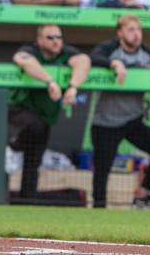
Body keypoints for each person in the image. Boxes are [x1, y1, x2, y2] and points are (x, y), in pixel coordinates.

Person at [89, 14, 150, 209]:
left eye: (139, 29)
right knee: (102, 169)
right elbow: (93, 58)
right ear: (120, 33)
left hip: (132, 120)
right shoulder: (111, 48)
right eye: (131, 30)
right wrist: (114, 64)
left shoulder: (146, 51)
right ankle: (98, 208)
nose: (136, 34)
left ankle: (143, 194)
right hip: (106, 121)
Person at [10, 24, 90, 198]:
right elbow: (23, 60)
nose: (56, 41)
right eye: (50, 37)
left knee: (34, 161)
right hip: (19, 107)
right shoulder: (30, 50)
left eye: (59, 37)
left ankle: (26, 202)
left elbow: (84, 61)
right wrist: (50, 81)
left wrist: (73, 87)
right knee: (34, 125)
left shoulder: (65, 52)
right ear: (39, 40)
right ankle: (14, 148)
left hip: (45, 115)